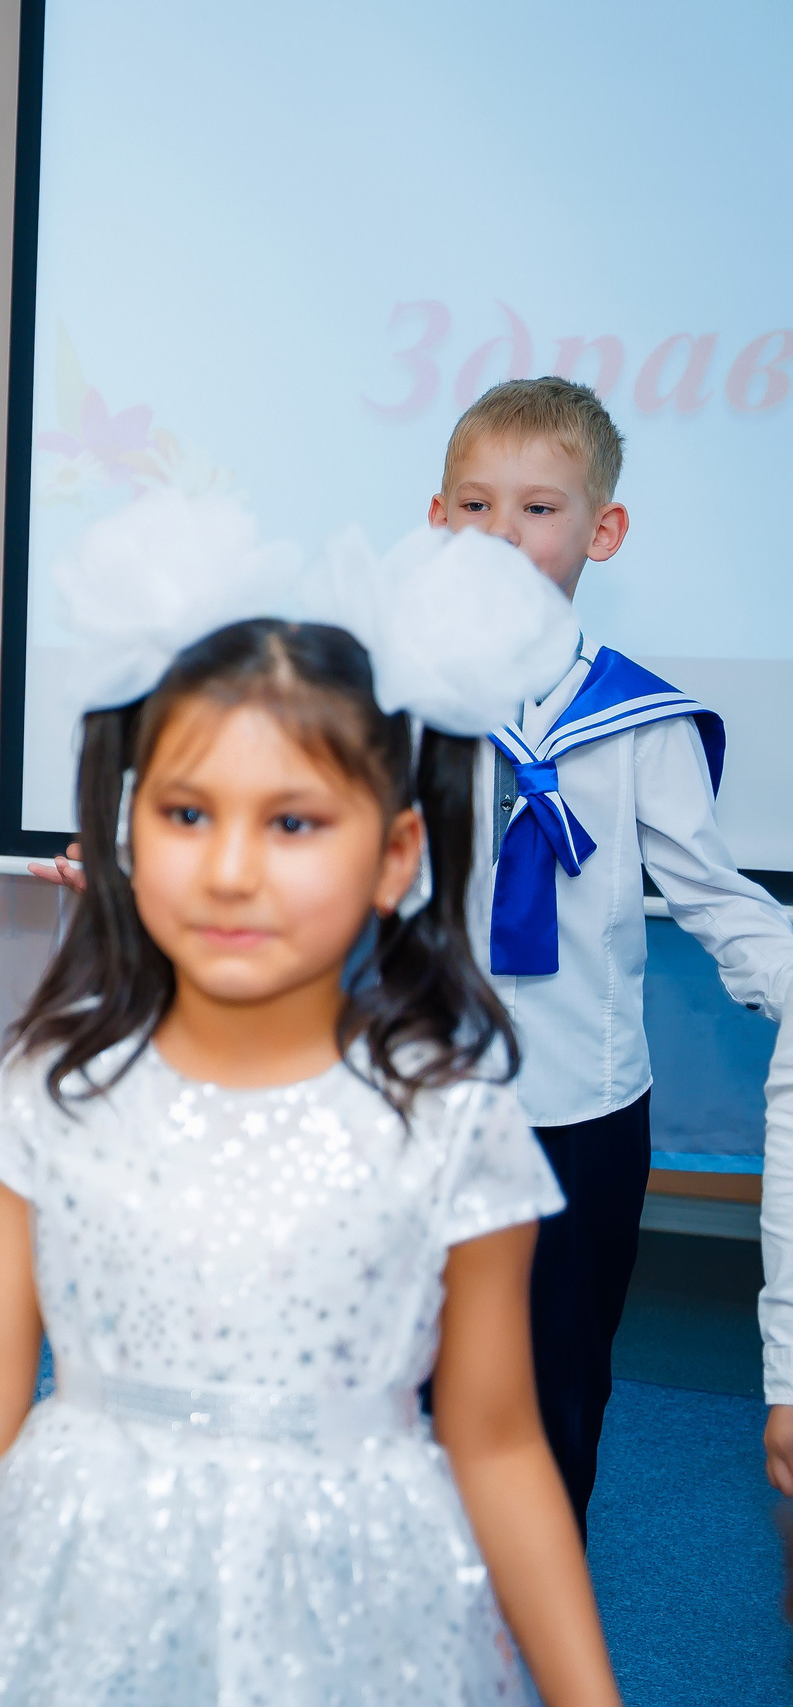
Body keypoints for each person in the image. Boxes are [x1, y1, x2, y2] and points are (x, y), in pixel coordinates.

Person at [0, 494, 620, 1705]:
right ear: (126, 826)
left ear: (396, 854)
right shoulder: (53, 1088)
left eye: (295, 821)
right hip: (83, 1593)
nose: (231, 868)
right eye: (187, 812)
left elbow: (499, 1434)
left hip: (357, 1610)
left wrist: (586, 1694)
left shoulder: (451, 1119)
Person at [430, 377, 793, 1527]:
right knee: (401, 1374)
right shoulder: (396, 704)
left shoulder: (641, 721)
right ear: (437, 520)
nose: (502, 535)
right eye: (475, 506)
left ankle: (529, 1605)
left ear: (602, 530)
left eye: (537, 509)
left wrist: (782, 972)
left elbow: (714, 897)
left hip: (581, 1115)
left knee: (557, 1381)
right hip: (419, 1100)